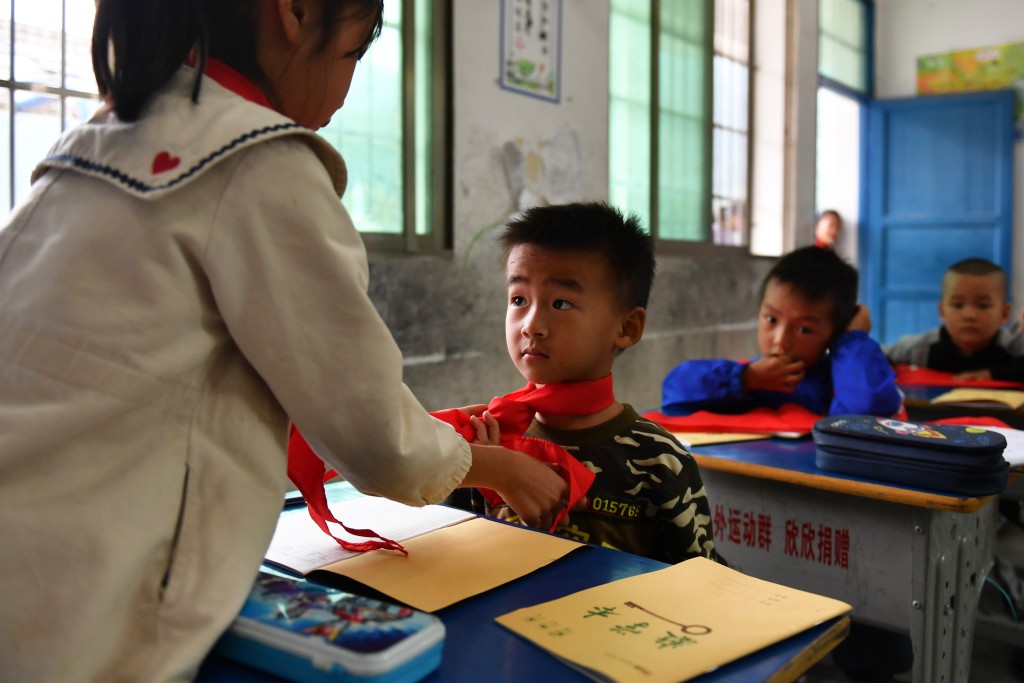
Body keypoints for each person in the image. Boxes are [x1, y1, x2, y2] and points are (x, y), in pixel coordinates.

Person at [0, 1, 568, 680]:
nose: (346, 87)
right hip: (81, 621)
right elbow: (377, 432)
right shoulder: (258, 164)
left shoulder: (83, 151)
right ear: (296, 12)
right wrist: (495, 465)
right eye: (353, 54)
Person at [447, 202, 721, 565]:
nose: (531, 325)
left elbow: (699, 585)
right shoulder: (485, 440)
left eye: (560, 303)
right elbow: (452, 559)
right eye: (518, 299)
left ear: (627, 328)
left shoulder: (660, 460)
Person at [661, 245, 902, 417]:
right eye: (771, 319)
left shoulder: (839, 383)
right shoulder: (750, 380)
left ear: (836, 332)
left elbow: (865, 416)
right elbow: (674, 392)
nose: (780, 341)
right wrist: (744, 378)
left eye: (803, 329)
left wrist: (852, 339)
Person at [885, 258, 1024, 382]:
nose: (969, 315)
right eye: (958, 305)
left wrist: (992, 374)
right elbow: (877, 356)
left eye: (983, 306)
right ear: (942, 311)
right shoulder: (919, 350)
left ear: (1004, 313)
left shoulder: (1014, 346)